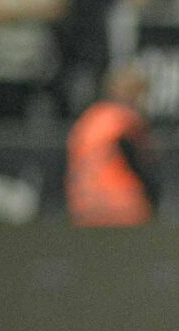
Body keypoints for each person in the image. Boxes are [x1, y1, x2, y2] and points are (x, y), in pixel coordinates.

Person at [66, 65, 156, 227]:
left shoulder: (90, 118)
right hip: (120, 205)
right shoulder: (126, 119)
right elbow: (144, 163)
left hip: (82, 205)